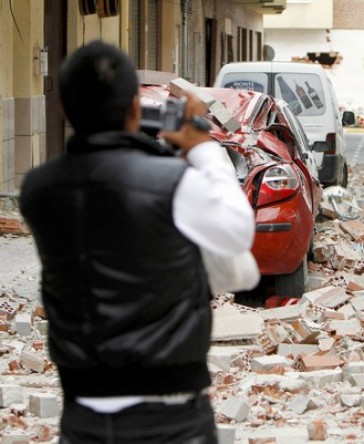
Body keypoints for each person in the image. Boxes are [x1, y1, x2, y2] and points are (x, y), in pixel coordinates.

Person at [19, 40, 257, 443]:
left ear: (63, 109)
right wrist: (202, 151)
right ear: (135, 106)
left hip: (83, 416)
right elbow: (236, 231)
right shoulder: (173, 184)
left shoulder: (37, 190)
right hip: (170, 419)